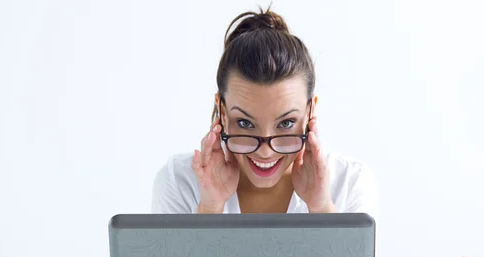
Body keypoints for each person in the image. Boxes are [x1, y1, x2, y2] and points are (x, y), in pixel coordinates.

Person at [152, 6, 378, 219]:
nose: (265, 152)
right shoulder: (180, 182)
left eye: (287, 123)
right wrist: (210, 210)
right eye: (245, 123)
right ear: (222, 111)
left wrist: (321, 210)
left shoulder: (349, 183)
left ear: (310, 112)